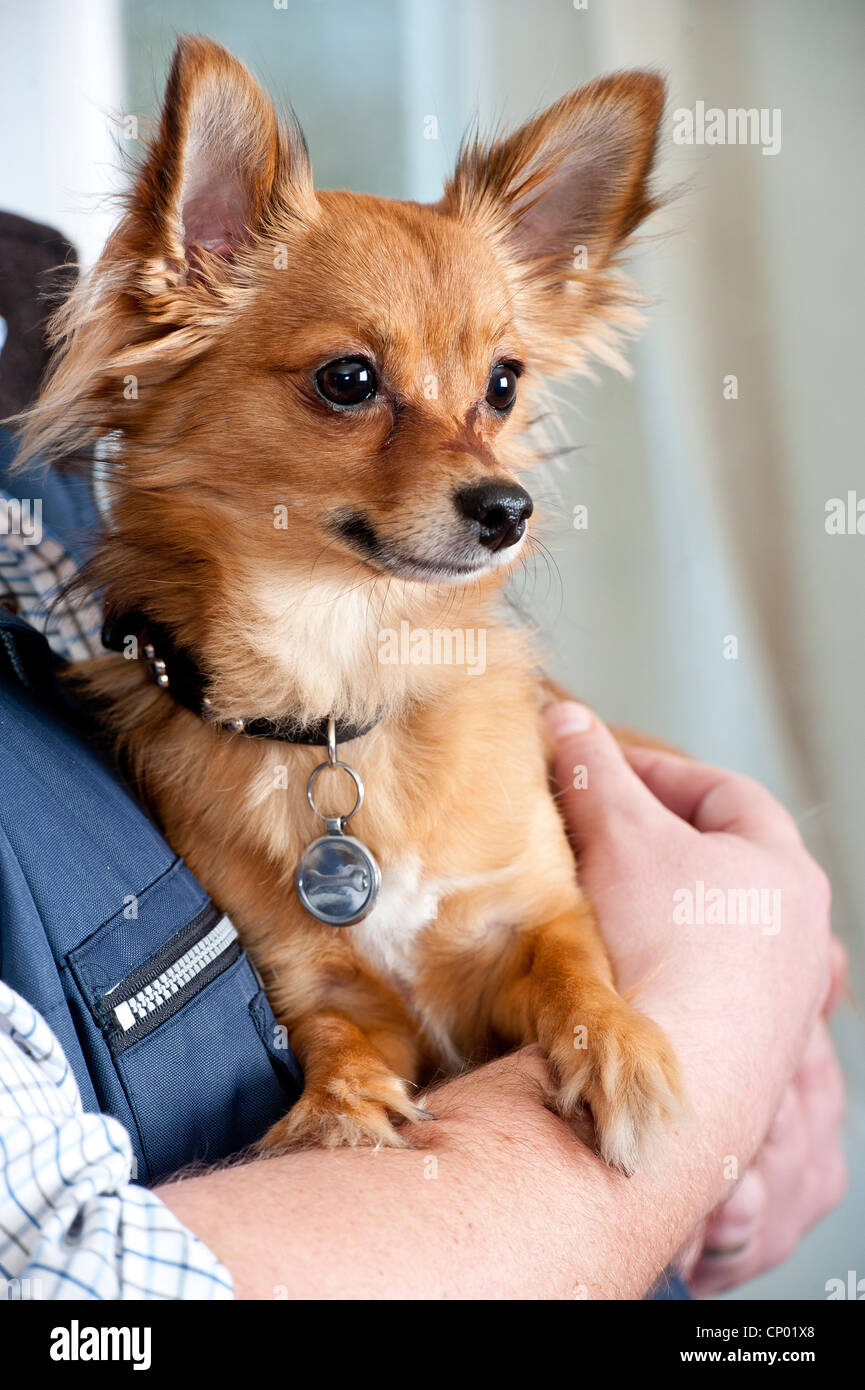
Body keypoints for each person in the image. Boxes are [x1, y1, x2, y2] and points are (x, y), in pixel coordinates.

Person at [0, 213, 846, 1301]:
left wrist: (765, 989)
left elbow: (656, 904)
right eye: (352, 382)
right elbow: (86, 1296)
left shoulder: (24, 297)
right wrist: (726, 1027)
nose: (473, 458)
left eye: (496, 389)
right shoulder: (157, 699)